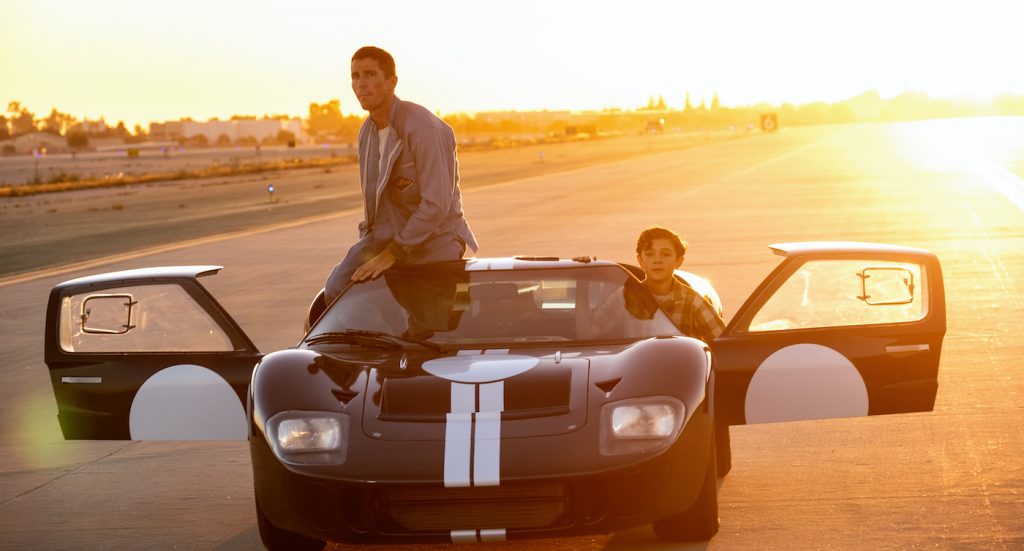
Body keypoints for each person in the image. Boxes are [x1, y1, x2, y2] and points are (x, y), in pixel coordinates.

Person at [324, 46, 478, 303]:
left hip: (435, 238)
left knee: (420, 305)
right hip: (385, 238)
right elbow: (374, 204)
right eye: (355, 76)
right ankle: (376, 342)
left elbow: (436, 204)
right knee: (338, 288)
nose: (361, 84)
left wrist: (392, 254)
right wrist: (373, 245)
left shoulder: (424, 128)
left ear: (392, 82)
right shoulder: (366, 133)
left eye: (370, 75)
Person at [634, 226, 725, 343]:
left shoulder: (693, 302)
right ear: (640, 260)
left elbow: (723, 345)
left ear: (678, 261)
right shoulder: (625, 299)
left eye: (665, 254)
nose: (657, 260)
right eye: (650, 254)